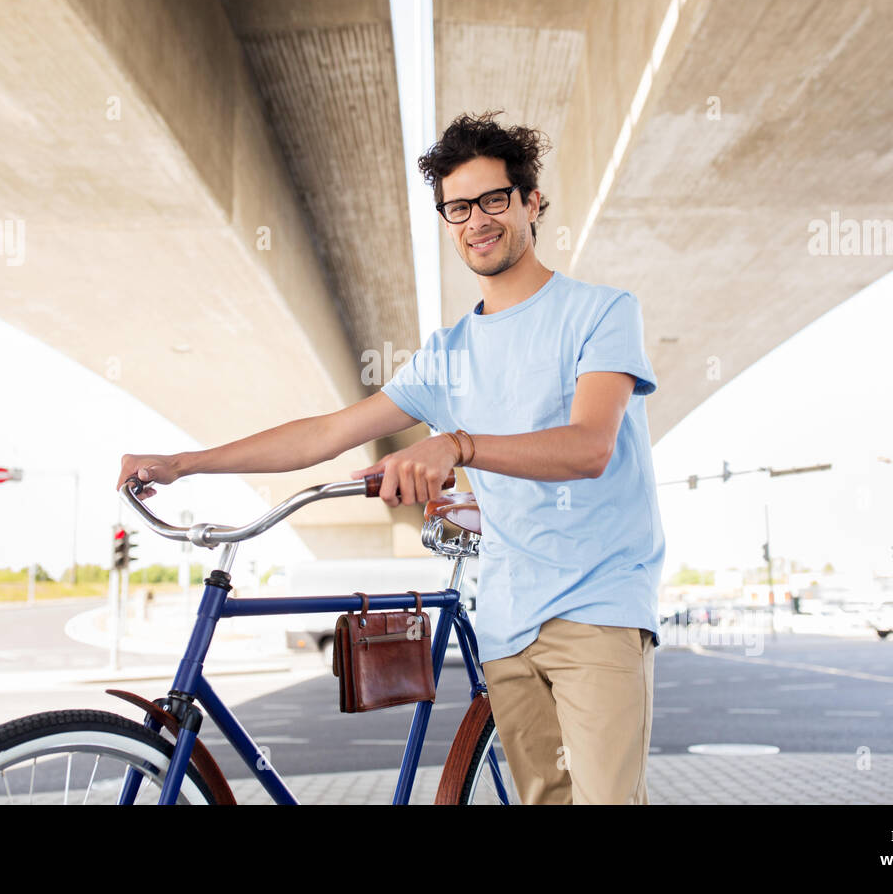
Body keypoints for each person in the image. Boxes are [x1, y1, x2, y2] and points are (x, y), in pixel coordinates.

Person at [118, 110, 664, 804]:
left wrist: (457, 444)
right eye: (457, 208)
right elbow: (325, 433)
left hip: (597, 604)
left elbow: (590, 447)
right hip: (503, 616)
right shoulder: (447, 355)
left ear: (530, 203)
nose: (477, 221)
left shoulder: (601, 312)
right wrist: (184, 463)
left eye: (494, 199)